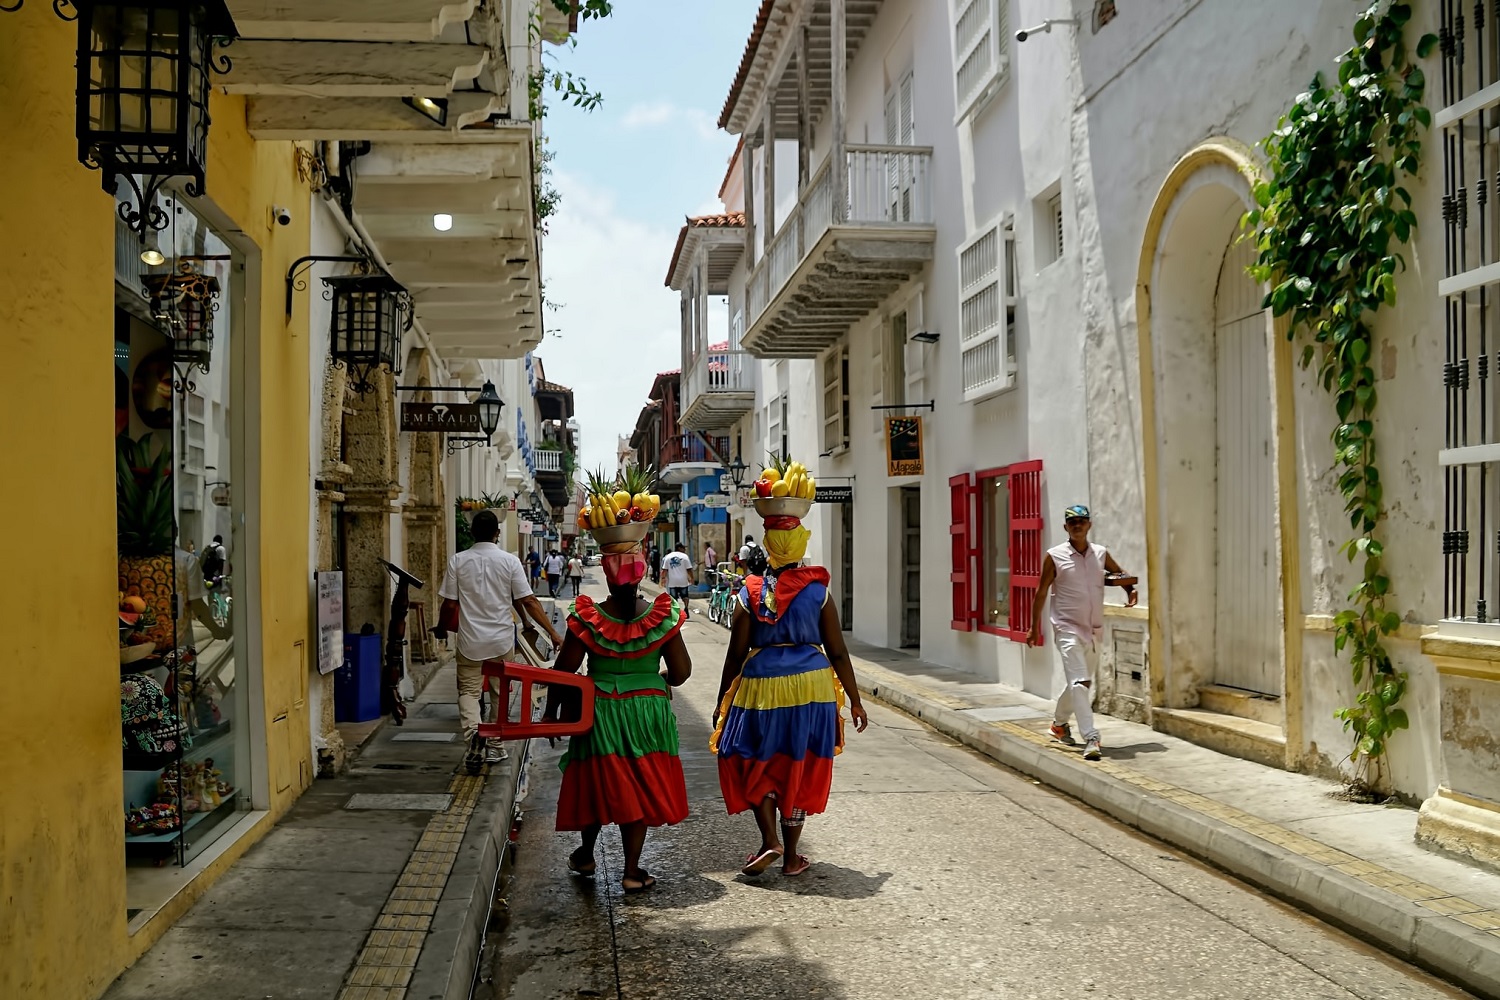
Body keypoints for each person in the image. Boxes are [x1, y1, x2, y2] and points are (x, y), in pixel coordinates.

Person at [711, 498, 868, 877]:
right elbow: (839, 652)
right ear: (799, 545)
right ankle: (792, 857)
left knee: (751, 757)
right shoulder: (818, 591)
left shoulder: (748, 593)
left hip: (760, 687)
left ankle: (770, 840)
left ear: (768, 546)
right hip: (813, 688)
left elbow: (735, 654)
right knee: (800, 763)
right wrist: (856, 701)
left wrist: (721, 700)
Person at [549, 539, 692, 894]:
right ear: (641, 576)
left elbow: (564, 670)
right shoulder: (662, 615)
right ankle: (631, 870)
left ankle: (585, 853)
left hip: (599, 708)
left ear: (608, 578)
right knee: (639, 781)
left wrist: (552, 713)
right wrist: (660, 680)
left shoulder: (588, 616)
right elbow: (681, 672)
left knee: (599, 778)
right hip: (647, 710)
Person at [436, 510, 564, 773]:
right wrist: (552, 632)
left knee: (469, 692)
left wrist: (441, 629)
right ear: (497, 533)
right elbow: (528, 600)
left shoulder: (458, 561)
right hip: (501, 640)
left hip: (470, 640)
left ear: (472, 532)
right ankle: (494, 746)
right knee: (498, 693)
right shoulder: (510, 561)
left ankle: (474, 734)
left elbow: (450, 604)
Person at [1026, 504, 1138, 762]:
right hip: (1066, 627)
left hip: (1094, 629)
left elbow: (1119, 573)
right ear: (1065, 527)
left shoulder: (1100, 553)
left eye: (1082, 521)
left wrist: (1130, 590)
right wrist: (1034, 627)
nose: (1077, 525)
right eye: (1072, 522)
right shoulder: (1054, 556)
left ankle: (1059, 724)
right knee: (1080, 682)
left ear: (1089, 525)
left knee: (1080, 683)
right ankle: (1091, 737)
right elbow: (1041, 592)